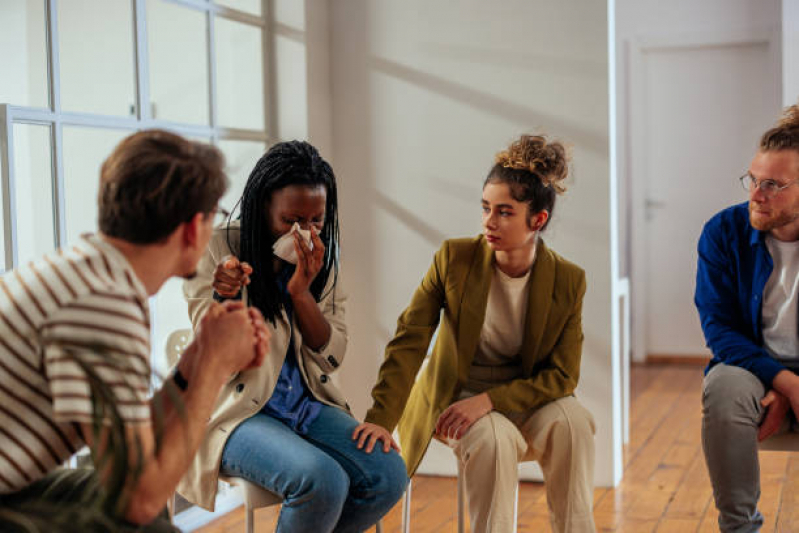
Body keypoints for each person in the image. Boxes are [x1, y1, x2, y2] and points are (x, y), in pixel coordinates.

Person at [0, 130, 270, 532]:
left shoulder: (92, 272)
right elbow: (138, 500)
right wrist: (215, 365)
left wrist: (193, 363)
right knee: (149, 523)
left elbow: (131, 445)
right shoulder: (103, 304)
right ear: (194, 228)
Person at [354, 134, 596, 533]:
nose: (489, 221)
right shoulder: (454, 260)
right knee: (494, 439)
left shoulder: (569, 280)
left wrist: (492, 399)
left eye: (505, 212)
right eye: (486, 208)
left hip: (522, 397)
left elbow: (563, 377)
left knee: (575, 422)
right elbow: (410, 339)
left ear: (538, 220)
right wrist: (381, 417)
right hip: (458, 398)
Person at [178, 140, 408, 532]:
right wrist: (224, 295)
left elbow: (332, 355)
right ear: (262, 206)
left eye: (316, 219)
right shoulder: (218, 248)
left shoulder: (322, 261)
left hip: (304, 405)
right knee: (321, 480)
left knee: (387, 474)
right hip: (234, 413)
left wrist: (301, 292)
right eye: (291, 220)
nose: (304, 230)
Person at [696, 102, 799, 532]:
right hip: (751, 362)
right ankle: (739, 528)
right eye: (753, 180)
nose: (756, 194)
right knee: (722, 390)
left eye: (773, 185)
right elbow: (718, 328)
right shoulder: (723, 231)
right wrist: (785, 382)